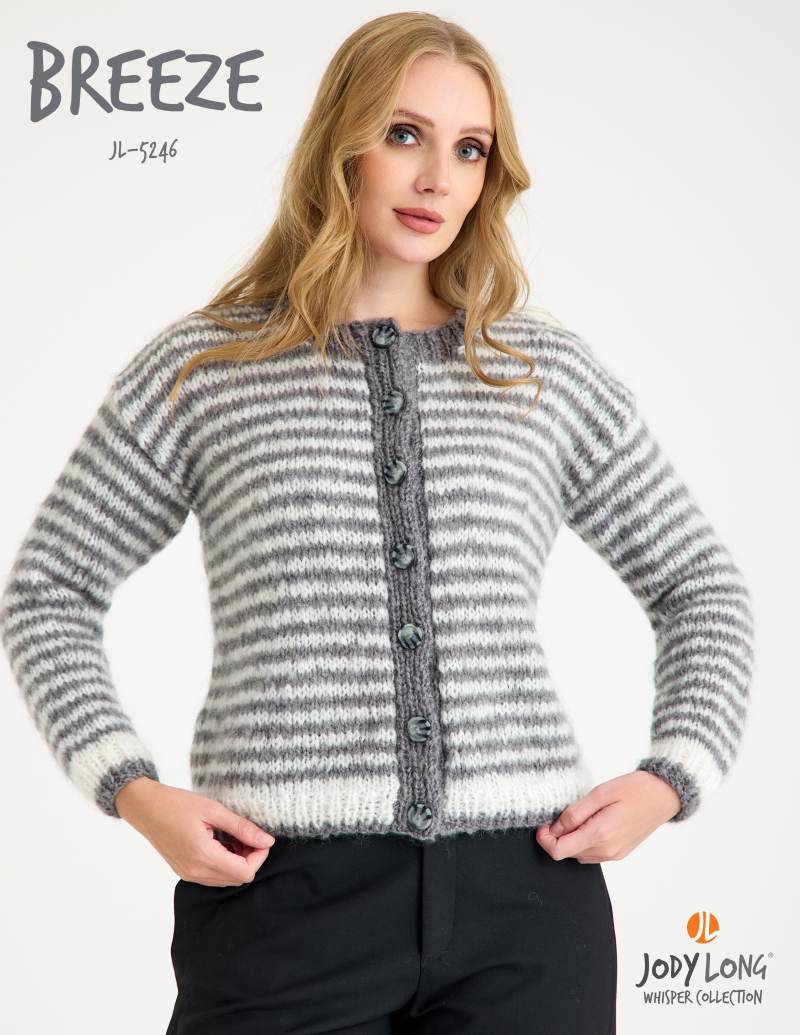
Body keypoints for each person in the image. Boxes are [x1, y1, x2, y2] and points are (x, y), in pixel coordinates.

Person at [0, 12, 754, 1035]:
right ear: (340, 144)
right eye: (404, 135)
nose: (437, 177)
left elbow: (700, 587)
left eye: (470, 149)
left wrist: (672, 777)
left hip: (528, 901)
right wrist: (131, 789)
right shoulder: (206, 368)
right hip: (281, 897)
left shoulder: (539, 372)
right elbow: (48, 589)